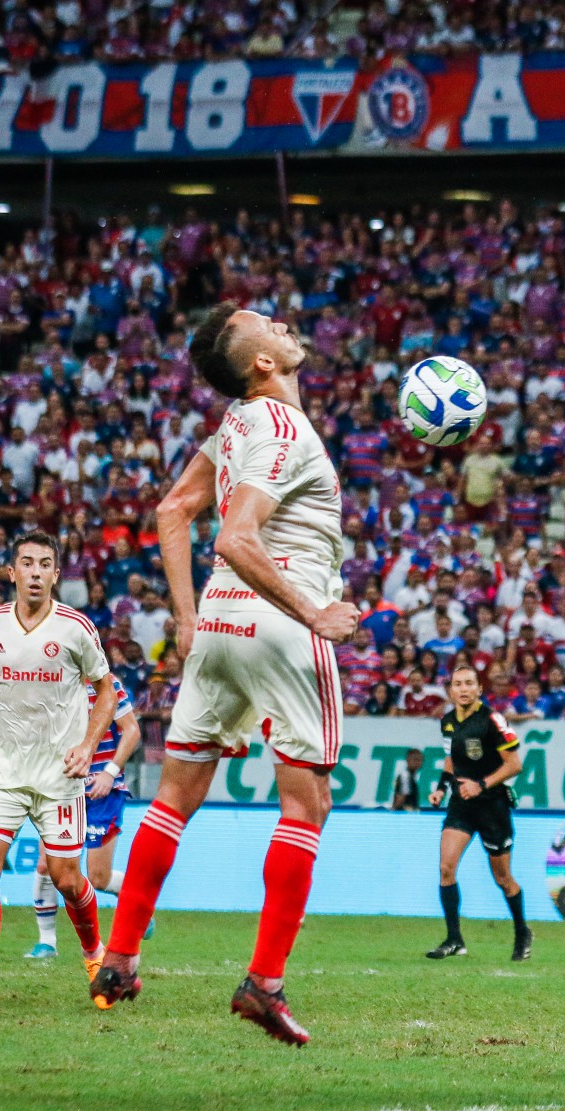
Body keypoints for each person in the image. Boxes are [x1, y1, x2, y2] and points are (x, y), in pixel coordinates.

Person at [88, 304, 359, 1047]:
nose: (284, 322)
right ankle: (264, 984)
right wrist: (315, 612)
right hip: (279, 622)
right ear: (264, 363)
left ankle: (118, 960)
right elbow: (237, 537)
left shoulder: (235, 426)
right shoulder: (284, 428)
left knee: (176, 794)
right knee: (307, 804)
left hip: (218, 623)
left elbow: (172, 509)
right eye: (267, 322)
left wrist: (184, 618)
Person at [0, 531, 118, 1013]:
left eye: (44, 564)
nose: (34, 572)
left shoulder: (77, 628)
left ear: (55, 574)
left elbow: (107, 691)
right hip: (2, 772)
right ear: (11, 573)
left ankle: (95, 958)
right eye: (26, 563)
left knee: (67, 878)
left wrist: (88, 745)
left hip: (59, 776)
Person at [26, 675, 144, 959]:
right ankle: (47, 942)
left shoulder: (108, 684)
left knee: (98, 877)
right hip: (63, 788)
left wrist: (110, 772)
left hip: (103, 790)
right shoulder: (54, 682)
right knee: (45, 864)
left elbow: (132, 732)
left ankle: (140, 904)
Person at [427, 665, 529, 960]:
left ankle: (522, 931)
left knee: (503, 878)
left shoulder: (492, 720)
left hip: (493, 806)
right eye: (457, 684)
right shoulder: (447, 722)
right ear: (450, 690)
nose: (463, 689)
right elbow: (451, 761)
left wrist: (481, 785)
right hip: (462, 803)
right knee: (446, 868)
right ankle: (454, 939)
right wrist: (441, 789)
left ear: (479, 688)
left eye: (469, 683)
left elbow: (514, 765)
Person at [391, 747, 427, 812]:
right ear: (408, 760)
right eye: (415, 760)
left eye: (420, 760)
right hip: (405, 816)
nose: (418, 762)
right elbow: (401, 798)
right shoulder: (405, 777)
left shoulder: (411, 777)